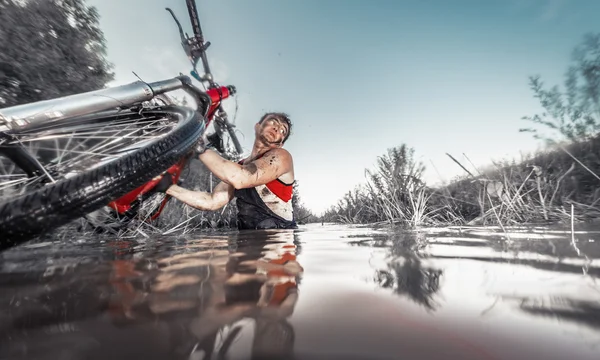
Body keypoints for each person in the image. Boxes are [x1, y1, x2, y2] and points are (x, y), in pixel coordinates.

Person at [156, 112, 297, 230]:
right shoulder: (238, 167)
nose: (278, 128)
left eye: (283, 130)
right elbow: (212, 201)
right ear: (257, 126)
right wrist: (169, 187)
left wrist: (197, 145)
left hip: (280, 237)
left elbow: (243, 178)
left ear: (281, 143)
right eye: (273, 122)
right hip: (248, 237)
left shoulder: (282, 157)